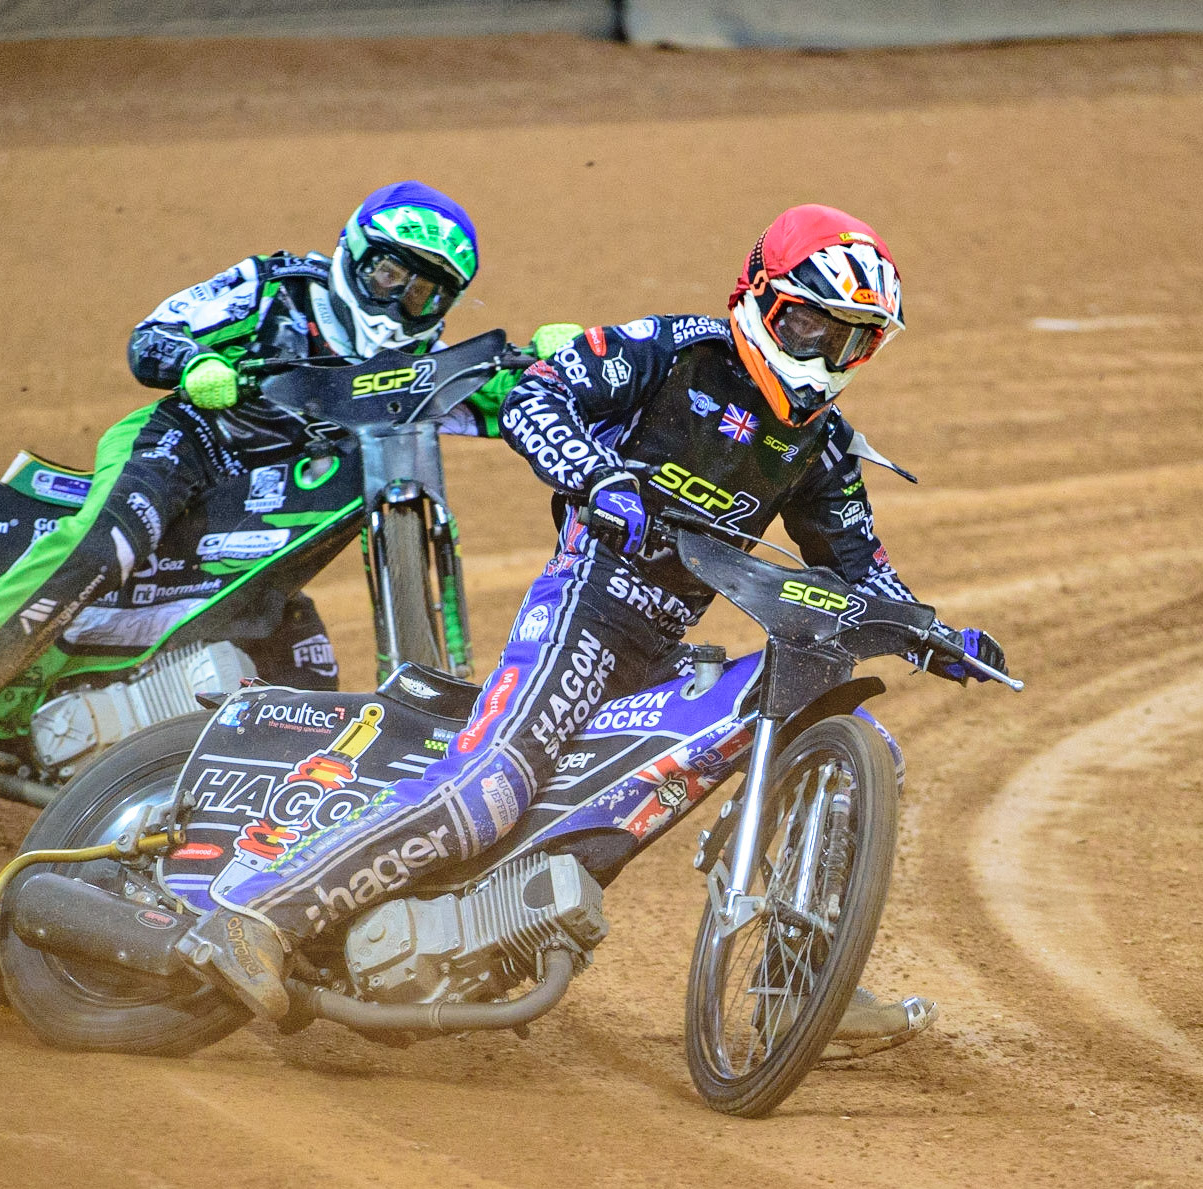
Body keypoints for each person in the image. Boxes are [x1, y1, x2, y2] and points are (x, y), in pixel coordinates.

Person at [180, 203, 1007, 1060]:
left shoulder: (821, 445)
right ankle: (254, 918)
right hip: (584, 606)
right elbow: (540, 393)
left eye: (849, 340)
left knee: (846, 745)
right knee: (489, 787)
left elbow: (856, 561)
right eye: (808, 325)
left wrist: (928, 630)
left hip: (659, 652)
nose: (822, 356)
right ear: (758, 297)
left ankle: (796, 983)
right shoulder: (673, 349)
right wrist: (595, 473)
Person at [0, 180, 582, 804]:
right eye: (389, 272)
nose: (400, 299)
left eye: (423, 291)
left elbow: (504, 403)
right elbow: (151, 338)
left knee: (302, 669)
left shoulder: (411, 370)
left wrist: (571, 363)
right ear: (354, 251)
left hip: (257, 508)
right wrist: (198, 361)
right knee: (112, 539)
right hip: (186, 442)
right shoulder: (274, 284)